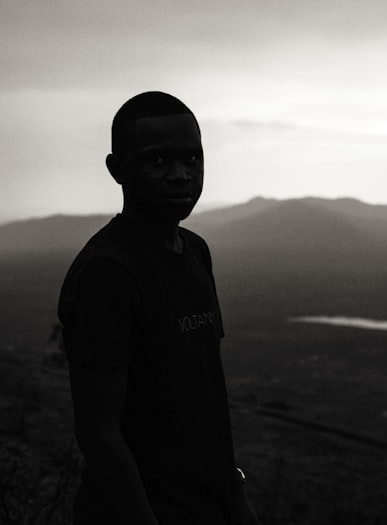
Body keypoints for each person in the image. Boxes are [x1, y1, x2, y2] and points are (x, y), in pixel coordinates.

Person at [58, 91, 260, 525]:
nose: (179, 175)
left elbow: (202, 396)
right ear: (117, 170)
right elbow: (97, 431)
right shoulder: (108, 271)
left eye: (191, 159)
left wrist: (235, 496)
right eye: (157, 160)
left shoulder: (196, 252)